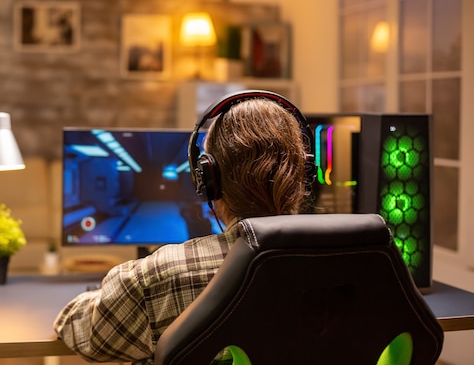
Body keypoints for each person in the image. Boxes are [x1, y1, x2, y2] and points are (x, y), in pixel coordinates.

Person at [54, 91, 313, 365]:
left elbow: (77, 329)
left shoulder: (157, 276)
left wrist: (104, 290)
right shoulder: (346, 265)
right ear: (303, 175)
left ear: (208, 179)